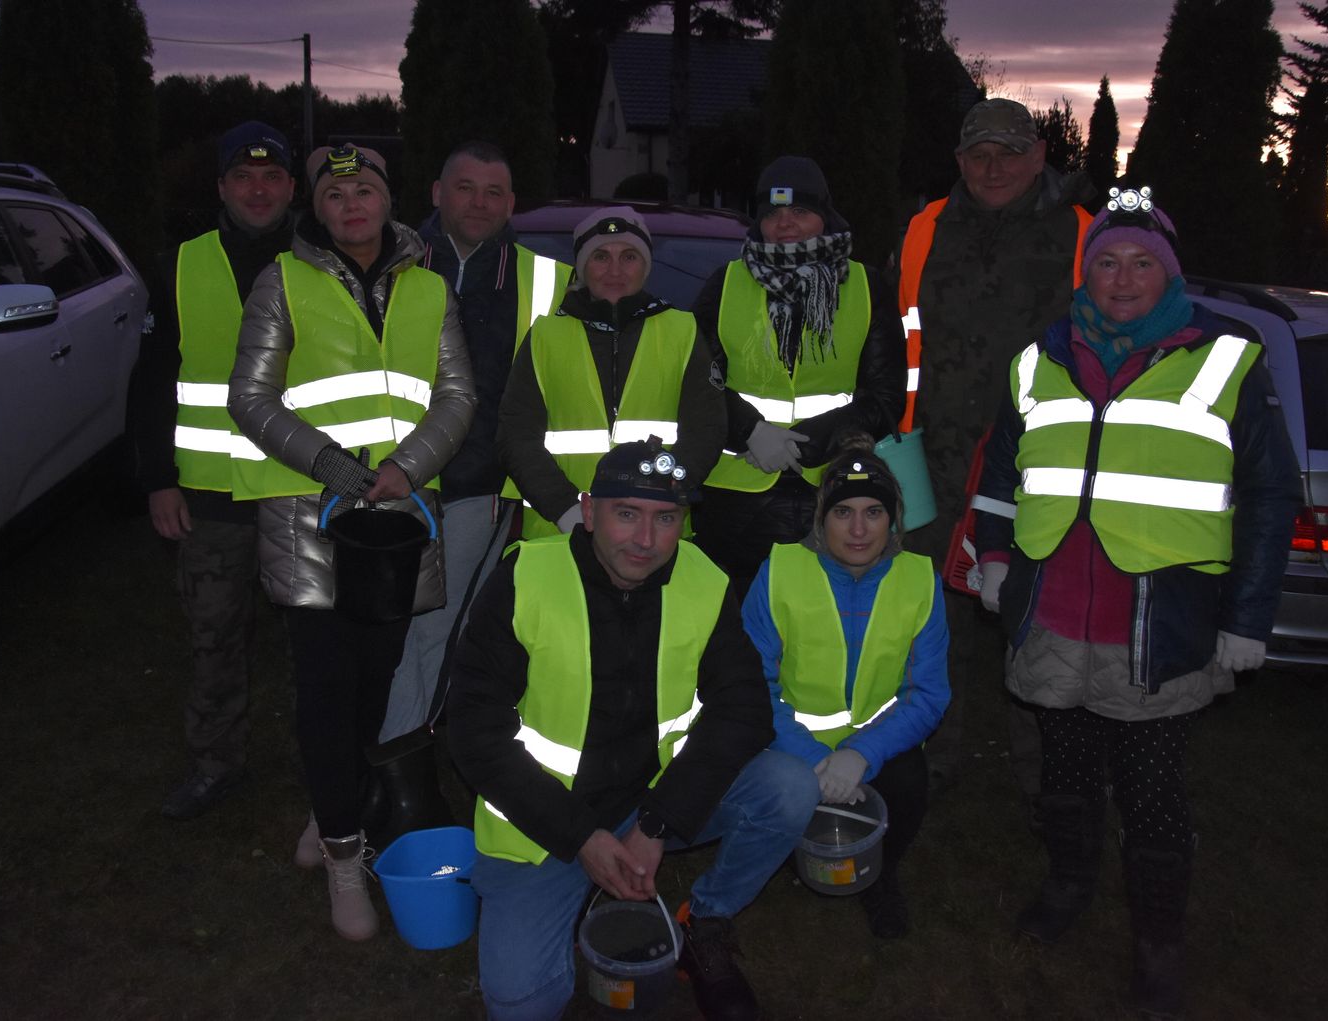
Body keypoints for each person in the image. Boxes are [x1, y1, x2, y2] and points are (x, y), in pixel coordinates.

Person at [973, 189, 1298, 1018]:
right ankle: (1069, 882)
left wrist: (1247, 618)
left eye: (1142, 262)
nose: (1122, 279)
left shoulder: (1227, 360)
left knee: (1152, 793)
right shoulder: (1038, 358)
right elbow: (1001, 472)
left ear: (1171, 274)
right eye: (1108, 262)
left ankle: (1158, 943)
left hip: (1159, 624)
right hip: (1052, 613)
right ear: (1086, 273)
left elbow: (1269, 497)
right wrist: (996, 559)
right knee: (1066, 773)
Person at [448, 440, 815, 1021]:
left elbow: (744, 710)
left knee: (790, 788)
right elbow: (473, 733)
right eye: (627, 514)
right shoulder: (525, 577)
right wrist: (582, 838)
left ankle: (705, 921)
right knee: (521, 1005)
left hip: (654, 799)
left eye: (666, 519)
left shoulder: (704, 580)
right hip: (544, 821)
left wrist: (658, 822)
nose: (646, 539)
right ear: (589, 511)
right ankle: (577, 898)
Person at [228, 143, 475, 941]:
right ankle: (343, 852)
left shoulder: (430, 285)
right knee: (327, 687)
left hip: (397, 522)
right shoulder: (282, 281)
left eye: (365, 189)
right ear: (318, 208)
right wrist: (332, 464)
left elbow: (457, 393)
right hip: (310, 518)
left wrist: (409, 466)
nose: (352, 205)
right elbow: (249, 396)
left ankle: (326, 799)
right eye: (335, 195)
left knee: (374, 683)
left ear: (389, 198)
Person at [896, 98, 1096, 797]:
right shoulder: (924, 229)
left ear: (1039, 156)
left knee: (1037, 617)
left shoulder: (1082, 233)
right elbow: (895, 337)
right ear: (959, 161)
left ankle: (1048, 782)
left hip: (1040, 461)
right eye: (978, 154)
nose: (993, 167)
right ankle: (926, 761)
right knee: (930, 619)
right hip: (932, 457)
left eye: (1009, 153)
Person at [371, 142, 568, 838]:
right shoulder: (389, 265)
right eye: (465, 187)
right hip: (384, 485)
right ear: (436, 192)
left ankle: (397, 786)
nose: (479, 203)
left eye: (494, 191)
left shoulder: (548, 280)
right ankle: (370, 779)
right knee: (376, 637)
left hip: (479, 492)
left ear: (512, 203)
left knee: (435, 637)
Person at [133, 120, 296, 821]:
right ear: (222, 187)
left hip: (299, 488)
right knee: (214, 637)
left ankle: (326, 768)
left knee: (314, 642)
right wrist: (157, 479)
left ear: (291, 188)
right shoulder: (179, 264)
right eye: (243, 178)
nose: (258, 190)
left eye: (271, 177)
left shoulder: (321, 260)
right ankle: (215, 764)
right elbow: (151, 379)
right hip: (210, 495)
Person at [741, 435, 949, 938]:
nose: (858, 530)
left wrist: (861, 753)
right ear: (821, 518)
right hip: (789, 744)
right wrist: (813, 759)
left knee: (909, 778)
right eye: (843, 513)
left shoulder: (920, 580)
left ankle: (881, 874)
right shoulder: (779, 572)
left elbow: (928, 694)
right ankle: (788, 857)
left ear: (893, 518)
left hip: (877, 745)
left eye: (874, 512)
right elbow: (749, 686)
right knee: (775, 789)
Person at [693, 156, 905, 599]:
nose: (785, 223)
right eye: (772, 213)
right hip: (734, 500)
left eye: (800, 211)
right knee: (737, 627)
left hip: (834, 494)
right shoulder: (723, 284)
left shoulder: (867, 286)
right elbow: (697, 380)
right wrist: (750, 430)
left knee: (821, 623)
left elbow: (885, 398)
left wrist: (802, 444)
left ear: (825, 215)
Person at [495, 205, 726, 540]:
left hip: (653, 531)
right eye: (601, 256)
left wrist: (657, 498)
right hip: (560, 531)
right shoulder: (545, 335)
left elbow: (706, 431)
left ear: (645, 266)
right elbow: (516, 435)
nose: (614, 270)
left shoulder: (683, 331)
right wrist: (566, 509)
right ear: (582, 267)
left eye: (629, 257)